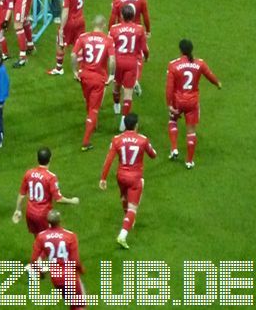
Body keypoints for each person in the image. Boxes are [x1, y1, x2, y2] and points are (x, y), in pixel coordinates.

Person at [99, 113, 157, 248]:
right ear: (136, 125)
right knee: (133, 209)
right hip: (135, 178)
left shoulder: (116, 139)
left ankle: (128, 219)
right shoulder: (142, 140)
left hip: (121, 176)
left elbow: (109, 160)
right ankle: (122, 235)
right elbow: (153, 155)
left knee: (124, 198)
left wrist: (103, 178)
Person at [165, 39, 221, 169]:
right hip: (192, 102)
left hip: (178, 101)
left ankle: (174, 149)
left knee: (172, 120)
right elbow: (209, 75)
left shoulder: (173, 65)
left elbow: (169, 87)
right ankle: (189, 161)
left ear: (180, 50)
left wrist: (169, 104)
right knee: (191, 131)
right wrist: (217, 83)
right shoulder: (199, 63)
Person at [30, 210, 86, 310]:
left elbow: (34, 260)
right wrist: (81, 270)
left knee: (73, 302)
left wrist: (40, 272)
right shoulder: (70, 236)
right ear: (60, 221)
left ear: (48, 221)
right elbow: (75, 260)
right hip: (69, 275)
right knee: (80, 306)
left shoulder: (41, 236)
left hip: (55, 278)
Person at [71, 16, 116, 151]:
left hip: (84, 76)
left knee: (89, 102)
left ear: (92, 24)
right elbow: (112, 59)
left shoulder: (83, 37)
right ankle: (86, 142)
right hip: (98, 78)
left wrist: (74, 71)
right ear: (103, 25)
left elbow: (73, 55)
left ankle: (93, 123)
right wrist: (112, 75)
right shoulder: (108, 40)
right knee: (94, 108)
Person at [13, 148, 79, 238]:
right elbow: (59, 199)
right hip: (43, 215)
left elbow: (22, 194)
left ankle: (38, 252)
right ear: (50, 159)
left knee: (37, 239)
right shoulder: (51, 177)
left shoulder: (29, 173)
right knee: (47, 239)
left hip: (30, 214)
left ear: (37, 159)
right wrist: (72, 201)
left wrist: (18, 209)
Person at [109, 5, 149, 130]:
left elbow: (109, 46)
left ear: (121, 15)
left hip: (117, 61)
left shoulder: (114, 29)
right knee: (128, 94)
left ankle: (116, 105)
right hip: (131, 63)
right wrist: (146, 57)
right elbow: (144, 49)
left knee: (116, 86)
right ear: (133, 16)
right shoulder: (139, 29)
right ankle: (123, 122)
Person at [47, 0, 85, 76]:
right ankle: (82, 69)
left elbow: (65, 11)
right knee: (79, 44)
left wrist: (62, 28)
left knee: (60, 43)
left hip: (70, 22)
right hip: (80, 19)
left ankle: (59, 68)